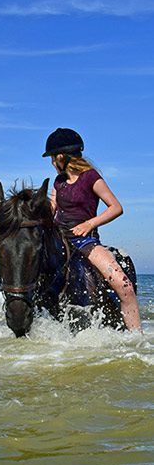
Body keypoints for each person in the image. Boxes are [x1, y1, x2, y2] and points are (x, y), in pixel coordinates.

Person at [45, 127, 140, 331]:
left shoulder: (91, 177)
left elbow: (116, 207)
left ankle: (137, 338)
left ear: (61, 156)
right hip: (60, 238)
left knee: (124, 286)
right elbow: (52, 208)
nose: (52, 163)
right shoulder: (58, 182)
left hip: (85, 240)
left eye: (53, 158)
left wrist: (90, 224)